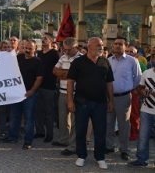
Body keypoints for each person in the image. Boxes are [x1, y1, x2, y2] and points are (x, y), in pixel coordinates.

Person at [67, 37, 114, 169]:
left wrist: (111, 100)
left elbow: (109, 83)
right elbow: (70, 82)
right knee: (80, 130)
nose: (101, 47)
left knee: (100, 131)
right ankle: (81, 156)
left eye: (101, 45)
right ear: (89, 46)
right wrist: (70, 100)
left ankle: (100, 157)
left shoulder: (105, 61)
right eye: (98, 45)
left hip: (100, 103)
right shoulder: (78, 62)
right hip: (82, 102)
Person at [106, 37, 141, 161]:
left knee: (124, 125)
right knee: (109, 123)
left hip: (124, 97)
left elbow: (138, 78)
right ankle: (109, 146)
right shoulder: (108, 60)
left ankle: (124, 150)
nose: (117, 46)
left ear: (125, 46)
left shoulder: (132, 61)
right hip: (109, 97)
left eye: (120, 44)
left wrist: (129, 88)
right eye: (115, 44)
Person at [4, 39, 43, 149]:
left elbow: (39, 78)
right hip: (17, 93)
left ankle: (28, 141)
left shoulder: (38, 61)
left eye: (30, 48)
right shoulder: (19, 57)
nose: (27, 50)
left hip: (29, 94)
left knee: (29, 118)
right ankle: (12, 137)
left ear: (35, 49)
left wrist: (32, 91)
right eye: (26, 48)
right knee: (14, 116)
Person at [52, 37, 81, 156]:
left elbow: (76, 76)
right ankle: (63, 139)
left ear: (76, 47)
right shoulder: (63, 56)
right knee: (62, 118)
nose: (66, 52)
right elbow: (54, 71)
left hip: (75, 93)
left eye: (68, 50)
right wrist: (68, 74)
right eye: (64, 49)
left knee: (75, 121)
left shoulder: (81, 59)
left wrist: (63, 73)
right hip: (62, 91)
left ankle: (73, 145)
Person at [128, 52, 155, 167]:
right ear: (153, 59)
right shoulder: (146, 73)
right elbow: (140, 88)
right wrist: (142, 92)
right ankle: (141, 159)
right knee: (143, 136)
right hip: (146, 110)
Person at [34, 33, 59, 143]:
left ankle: (49, 134)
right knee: (38, 110)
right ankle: (40, 131)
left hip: (49, 86)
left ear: (51, 41)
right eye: (42, 38)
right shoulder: (38, 53)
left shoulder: (54, 54)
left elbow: (58, 68)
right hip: (38, 85)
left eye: (45, 39)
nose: (43, 40)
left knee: (49, 112)